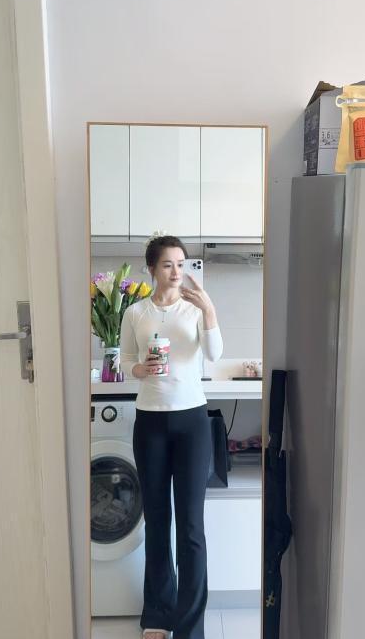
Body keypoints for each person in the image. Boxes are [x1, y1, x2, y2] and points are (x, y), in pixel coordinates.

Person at [119, 234, 223, 639]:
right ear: (152, 269)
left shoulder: (194, 309)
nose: (177, 271)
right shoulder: (135, 313)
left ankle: (190, 626)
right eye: (168, 264)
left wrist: (209, 310)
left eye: (181, 264)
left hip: (191, 422)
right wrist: (139, 370)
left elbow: (214, 354)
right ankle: (159, 615)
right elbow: (126, 360)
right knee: (158, 521)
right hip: (150, 423)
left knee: (191, 527)